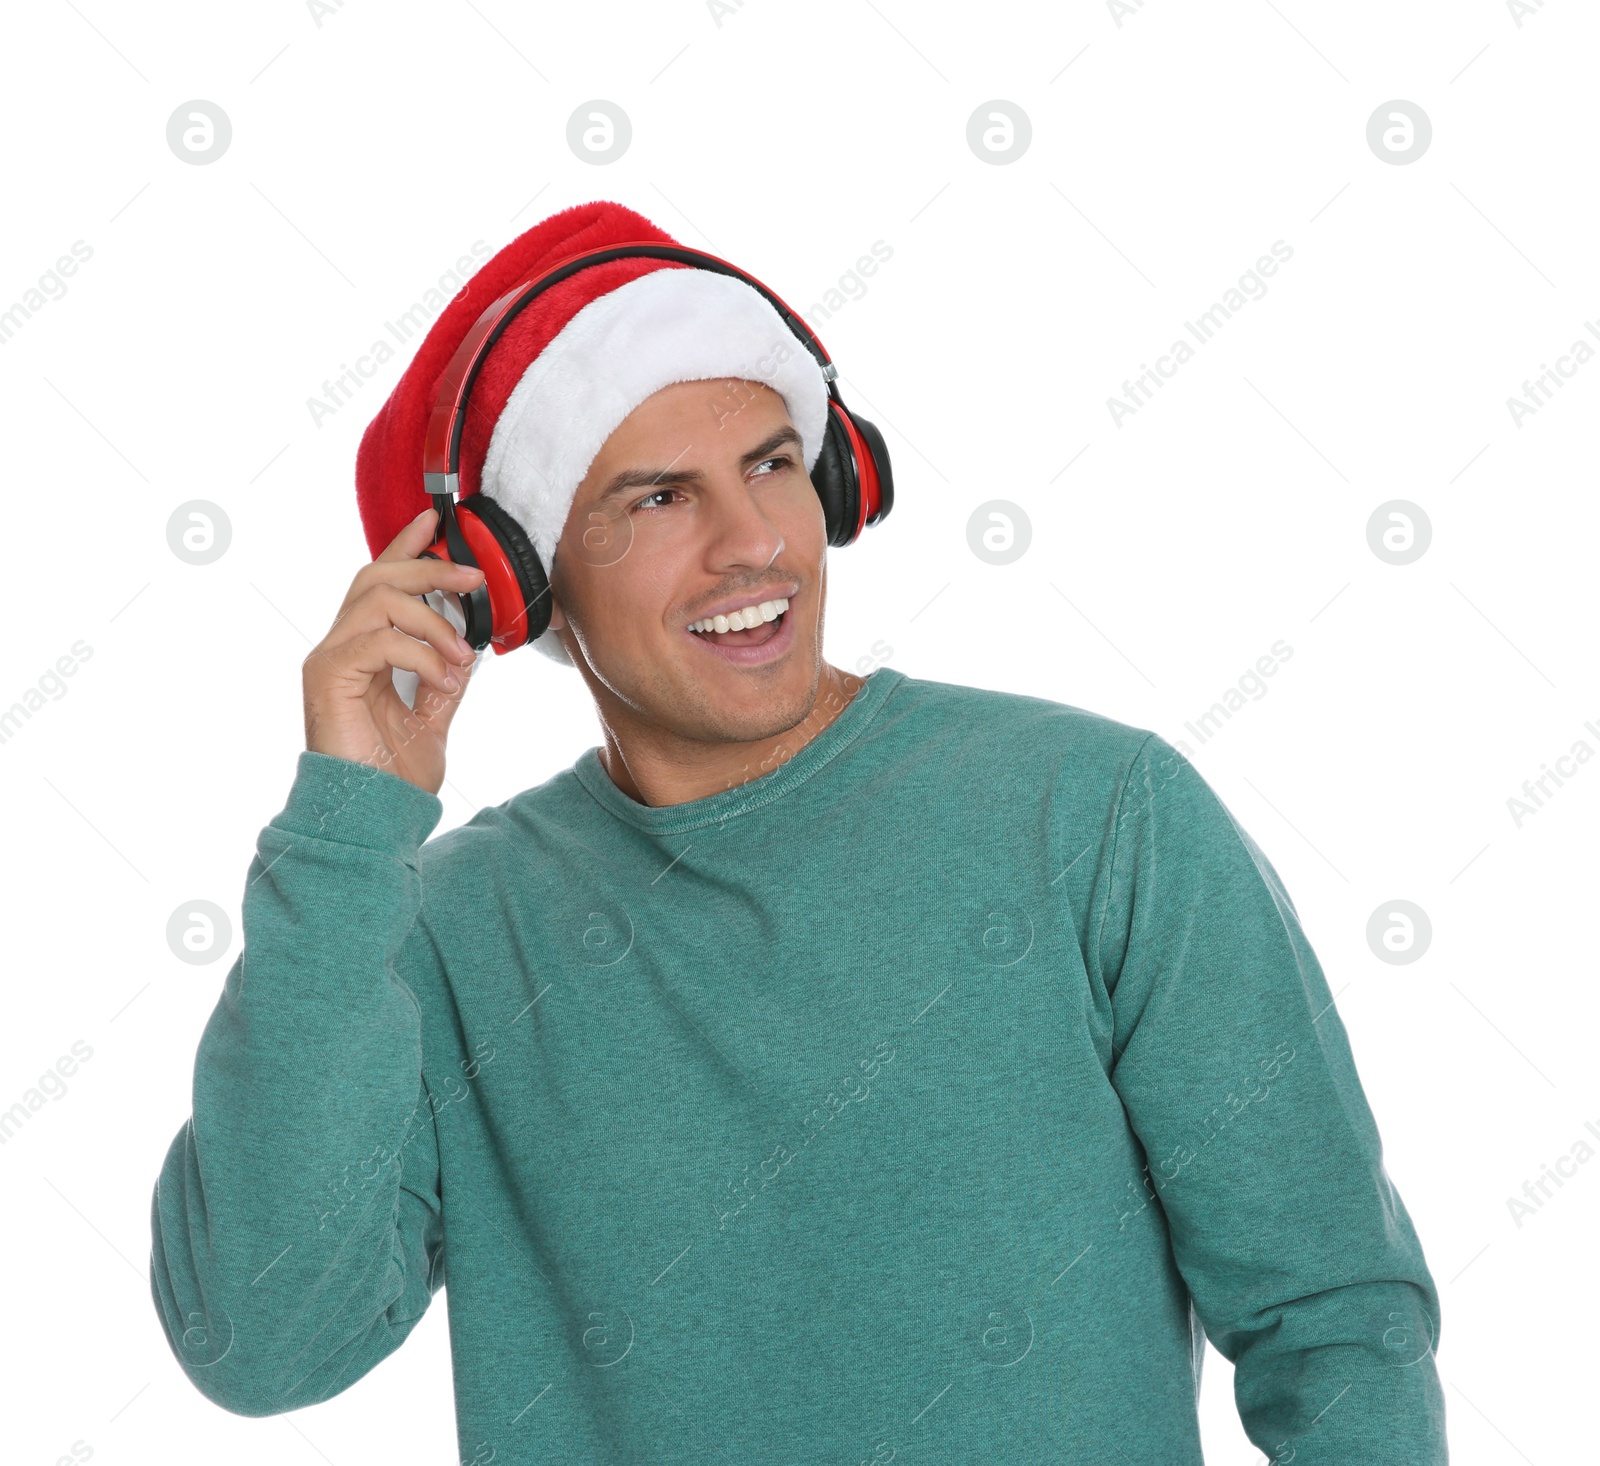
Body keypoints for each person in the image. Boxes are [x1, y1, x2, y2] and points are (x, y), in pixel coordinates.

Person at [148, 201, 1448, 1463]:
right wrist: (346, 826)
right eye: (659, 499)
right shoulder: (438, 928)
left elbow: (1334, 1321)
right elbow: (262, 1341)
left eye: (773, 464)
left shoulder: (1098, 815)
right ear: (517, 577)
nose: (754, 541)